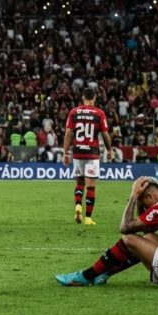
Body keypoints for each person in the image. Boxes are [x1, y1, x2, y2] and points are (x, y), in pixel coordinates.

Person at [56, 176, 158, 288]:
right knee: (148, 238)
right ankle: (104, 273)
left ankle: (85, 276)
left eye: (145, 204)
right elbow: (147, 230)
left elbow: (125, 227)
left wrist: (134, 196)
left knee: (130, 240)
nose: (147, 209)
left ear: (150, 196)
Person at [62, 88, 112, 225]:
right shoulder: (99, 113)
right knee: (91, 187)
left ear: (83, 98)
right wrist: (109, 150)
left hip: (78, 152)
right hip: (92, 153)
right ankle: (88, 218)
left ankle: (78, 205)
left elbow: (68, 134)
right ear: (94, 98)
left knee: (79, 182)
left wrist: (65, 152)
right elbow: (105, 135)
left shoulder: (74, 112)